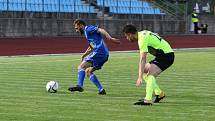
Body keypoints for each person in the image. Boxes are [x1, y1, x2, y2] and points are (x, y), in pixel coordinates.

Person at [122, 24, 175, 105]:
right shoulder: (143, 33)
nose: (127, 38)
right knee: (144, 70)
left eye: (126, 36)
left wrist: (139, 77)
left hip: (166, 56)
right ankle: (159, 93)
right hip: (163, 55)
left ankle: (147, 100)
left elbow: (142, 59)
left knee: (150, 75)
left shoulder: (142, 39)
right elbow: (156, 35)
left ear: (130, 34)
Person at [68, 19, 120, 95]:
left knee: (81, 67)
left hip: (99, 52)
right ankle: (101, 90)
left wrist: (109, 38)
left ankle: (80, 86)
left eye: (76, 28)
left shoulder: (88, 28)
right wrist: (84, 55)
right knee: (88, 71)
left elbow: (101, 30)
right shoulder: (87, 33)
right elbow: (92, 46)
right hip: (104, 55)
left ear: (81, 25)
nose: (76, 31)